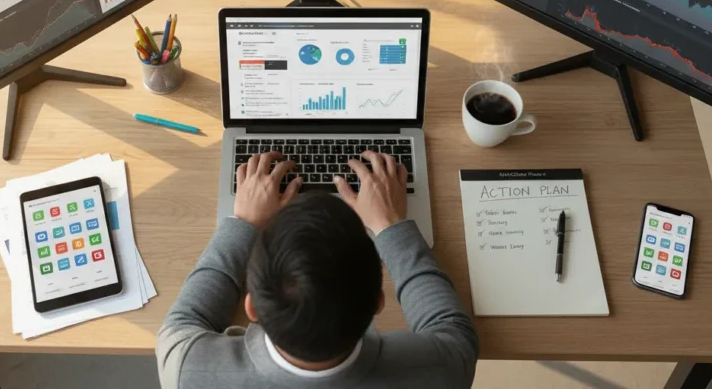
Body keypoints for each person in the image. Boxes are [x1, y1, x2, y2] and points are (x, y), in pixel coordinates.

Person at [156, 150, 478, 388]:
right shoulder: (441, 372)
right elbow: (452, 328)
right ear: (379, 302)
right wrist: (388, 224)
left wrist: (245, 223)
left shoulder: (188, 370)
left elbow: (183, 321)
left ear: (251, 306)